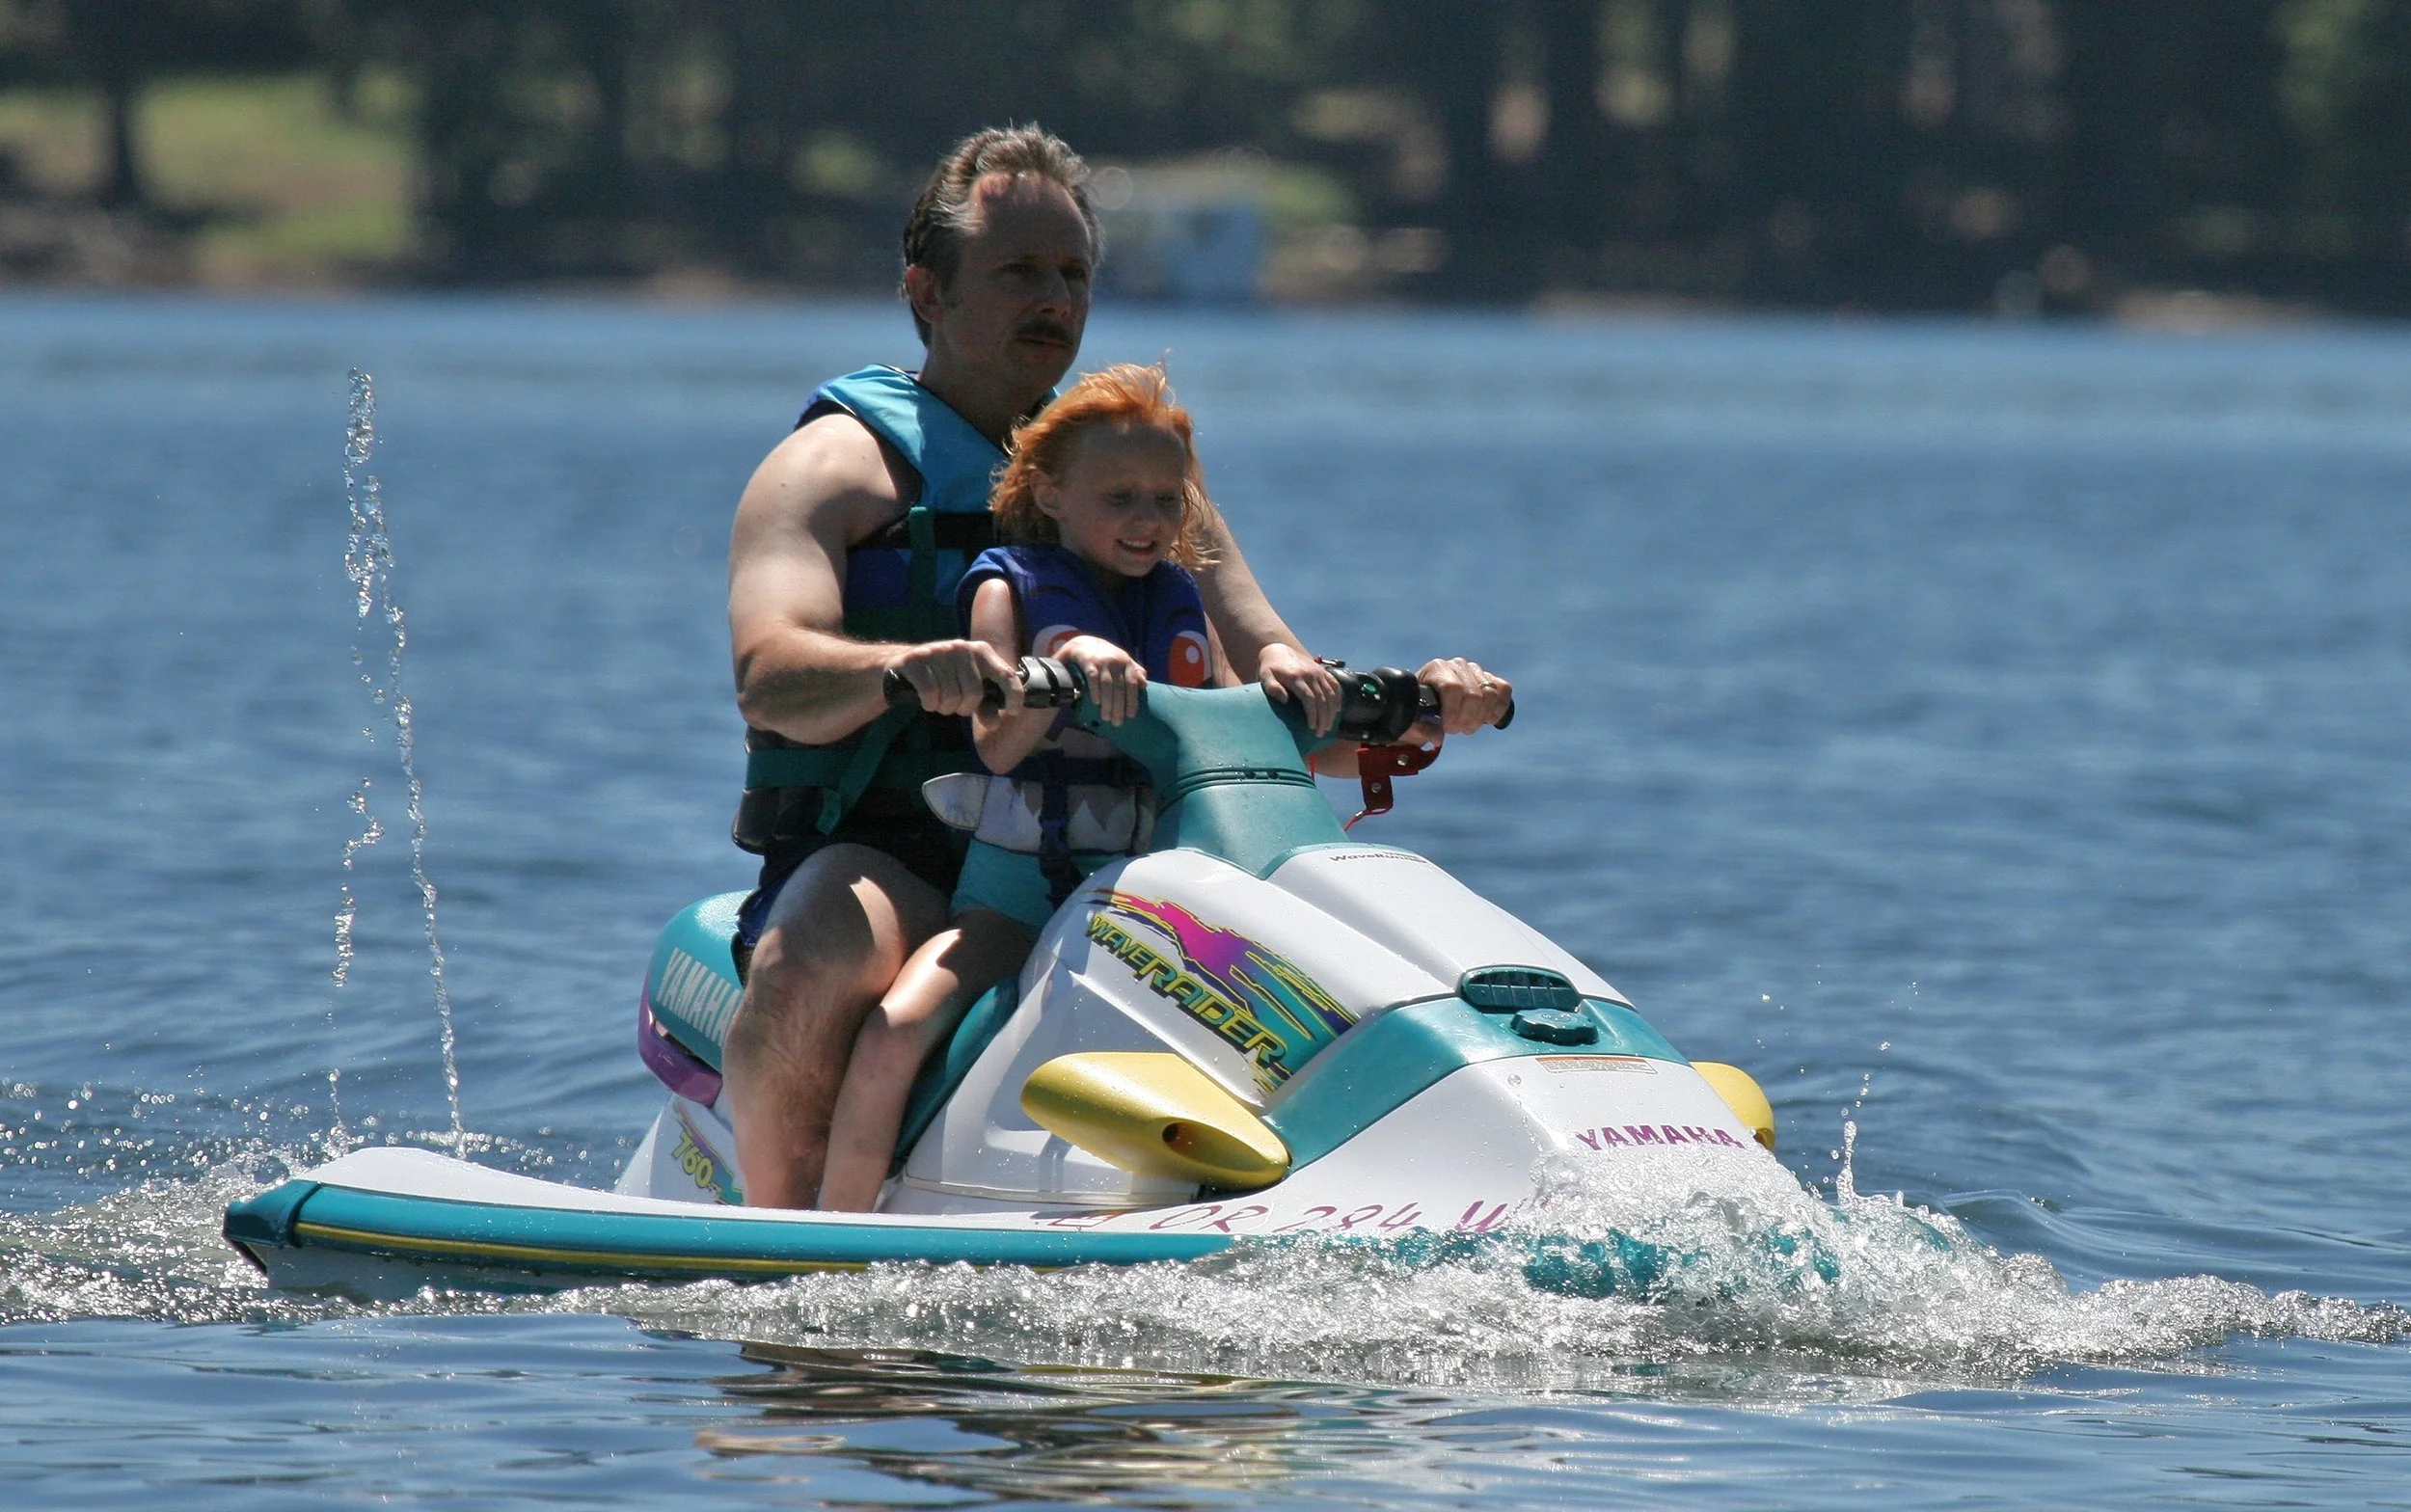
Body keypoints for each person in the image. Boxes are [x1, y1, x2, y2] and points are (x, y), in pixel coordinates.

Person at [720, 124, 1513, 1209]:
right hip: (900, 847)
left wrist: (1416, 708)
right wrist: (911, 667)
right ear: (927, 292)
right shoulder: (832, 467)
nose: (1055, 299)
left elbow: (1273, 699)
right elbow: (771, 675)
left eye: (1073, 274)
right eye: (1019, 272)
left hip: (1129, 844)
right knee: (806, 961)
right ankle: (788, 1261)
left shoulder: (1135, 480)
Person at [817, 362, 1240, 1209]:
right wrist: (1068, 663)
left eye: (1167, 500)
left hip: (1148, 898)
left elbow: (1233, 715)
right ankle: (836, 1227)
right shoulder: (1005, 586)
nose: (1148, 520)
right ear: (1051, 496)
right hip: (1016, 901)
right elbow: (996, 745)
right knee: (897, 1028)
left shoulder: (1181, 599)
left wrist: (1326, 688)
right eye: (1119, 498)